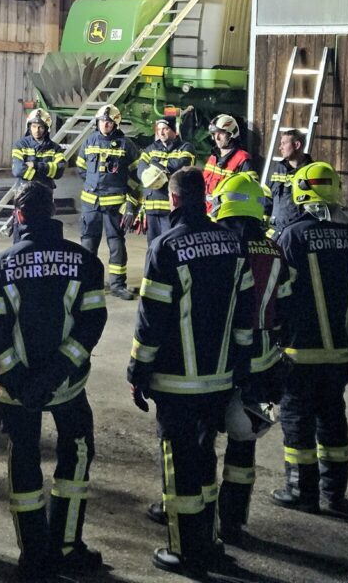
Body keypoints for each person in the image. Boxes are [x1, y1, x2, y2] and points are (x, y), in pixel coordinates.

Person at [128, 166, 254, 578]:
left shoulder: (165, 246)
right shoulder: (233, 244)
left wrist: (138, 370)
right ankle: (210, 541)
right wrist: (240, 365)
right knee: (204, 458)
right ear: (206, 198)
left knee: (179, 466)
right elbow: (246, 313)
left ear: (174, 200)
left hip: (176, 380)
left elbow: (151, 320)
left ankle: (185, 552)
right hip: (220, 378)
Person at [0, 181, 107, 581]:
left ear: (19, 216)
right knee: (77, 452)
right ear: (52, 212)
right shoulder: (85, 261)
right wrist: (55, 374)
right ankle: (66, 546)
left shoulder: (0, 264)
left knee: (23, 459)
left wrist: (19, 381)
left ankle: (33, 555)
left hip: (17, 390)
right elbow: (92, 322)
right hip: (68, 386)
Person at [272, 162, 348, 513]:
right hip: (340, 352)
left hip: (300, 351)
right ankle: (334, 493)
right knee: (332, 418)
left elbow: (279, 294)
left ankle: (302, 491)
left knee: (297, 419)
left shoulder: (292, 236)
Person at [211, 173, 290, 545]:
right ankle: (233, 522)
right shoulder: (275, 250)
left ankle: (186, 512)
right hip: (263, 363)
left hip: (219, 362)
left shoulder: (221, 247)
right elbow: (285, 306)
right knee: (244, 442)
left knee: (200, 440)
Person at [76, 103, 141, 300]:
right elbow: (81, 168)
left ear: (116, 124)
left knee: (116, 244)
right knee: (88, 244)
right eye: (102, 121)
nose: (105, 124)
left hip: (114, 205)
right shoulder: (89, 141)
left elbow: (137, 176)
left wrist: (130, 202)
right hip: (90, 204)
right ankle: (88, 283)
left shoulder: (126, 144)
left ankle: (117, 285)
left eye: (109, 122)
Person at [138, 115, 195, 243]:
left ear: (174, 130)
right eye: (159, 129)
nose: (161, 132)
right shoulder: (150, 149)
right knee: (153, 246)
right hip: (151, 208)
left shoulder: (185, 148)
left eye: (165, 129)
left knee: (171, 244)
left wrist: (155, 167)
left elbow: (180, 165)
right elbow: (140, 170)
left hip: (171, 209)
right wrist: (161, 171)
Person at [202, 114, 254, 215]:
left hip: (227, 216)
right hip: (206, 214)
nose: (216, 138)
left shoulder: (243, 159)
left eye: (221, 133)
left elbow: (249, 193)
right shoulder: (213, 158)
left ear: (231, 134)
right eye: (214, 133)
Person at [268, 129, 311, 239]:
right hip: (275, 234)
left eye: (284, 143)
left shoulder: (312, 172)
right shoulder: (277, 169)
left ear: (297, 145)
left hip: (299, 235)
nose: (280, 148)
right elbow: (267, 197)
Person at [11, 108, 66, 190]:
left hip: (46, 192)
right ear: (29, 127)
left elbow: (59, 171)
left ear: (46, 129)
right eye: (34, 126)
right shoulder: (20, 145)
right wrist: (45, 174)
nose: (37, 130)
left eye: (40, 127)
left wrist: (35, 165)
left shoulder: (55, 148)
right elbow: (18, 170)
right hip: (25, 190)